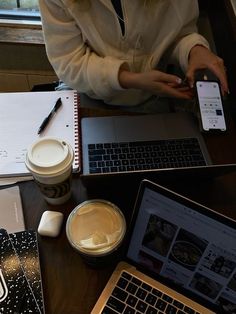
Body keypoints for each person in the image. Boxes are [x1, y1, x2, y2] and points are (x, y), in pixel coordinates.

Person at [38, 0, 228, 112]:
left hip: (157, 99)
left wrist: (194, 49)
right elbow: (68, 60)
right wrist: (129, 79)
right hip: (89, 95)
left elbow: (179, 34)